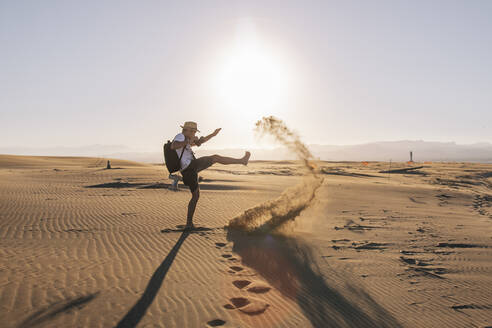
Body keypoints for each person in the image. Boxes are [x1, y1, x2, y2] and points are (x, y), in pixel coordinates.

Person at [171, 121, 250, 229]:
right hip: (190, 167)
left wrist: (213, 135)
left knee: (195, 196)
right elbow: (173, 146)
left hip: (188, 170)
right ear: (188, 130)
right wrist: (188, 141)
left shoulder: (185, 139)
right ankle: (242, 161)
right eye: (193, 131)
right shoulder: (180, 136)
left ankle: (189, 224)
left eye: (194, 132)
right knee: (215, 157)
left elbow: (201, 142)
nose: (194, 133)